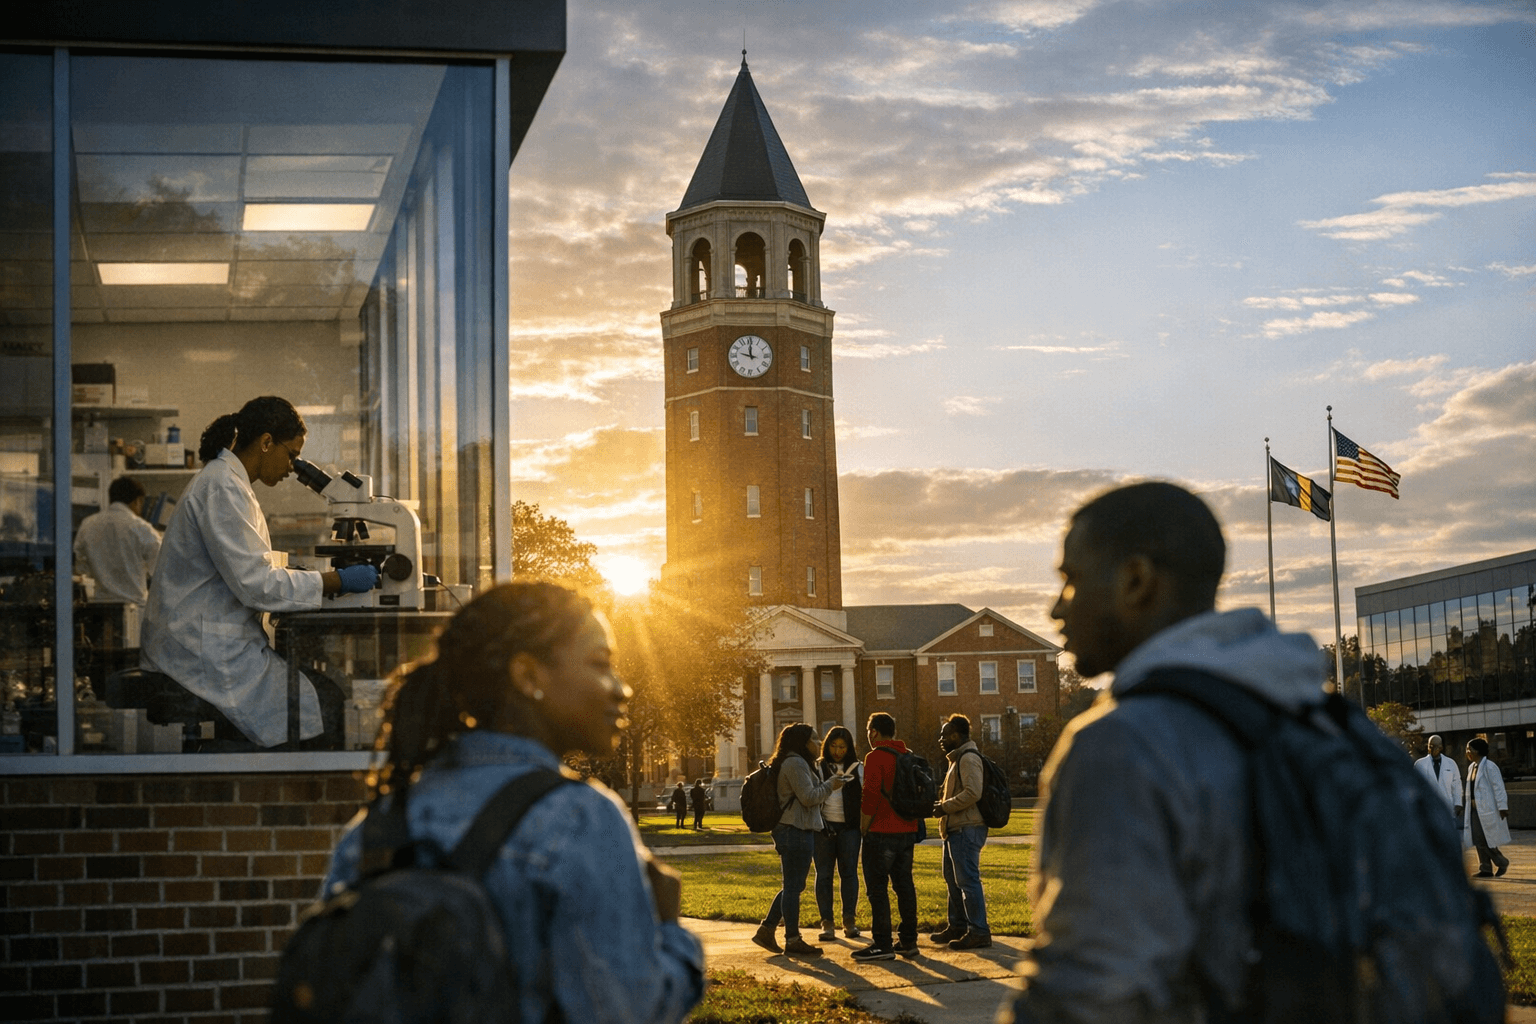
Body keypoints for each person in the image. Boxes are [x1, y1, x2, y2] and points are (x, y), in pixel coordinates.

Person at [1003, 481, 1324, 1023]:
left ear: (1136, 579)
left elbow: (1087, 990)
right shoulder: (1323, 724)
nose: (1056, 607)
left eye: (1072, 580)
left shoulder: (1123, 744)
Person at [320, 581, 704, 1024]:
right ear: (527, 676)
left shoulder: (380, 822)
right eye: (601, 664)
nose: (622, 689)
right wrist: (673, 934)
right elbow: (626, 1012)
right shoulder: (579, 817)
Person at [140, 397, 377, 748]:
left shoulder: (228, 483)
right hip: (200, 651)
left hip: (208, 641)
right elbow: (257, 585)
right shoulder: (222, 487)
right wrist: (338, 580)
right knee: (327, 704)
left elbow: (250, 571)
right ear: (266, 442)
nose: (292, 467)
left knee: (321, 694)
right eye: (292, 455)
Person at [752, 722, 848, 958]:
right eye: (814, 739)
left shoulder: (800, 763)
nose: (819, 743)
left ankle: (767, 929)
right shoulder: (795, 763)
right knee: (793, 888)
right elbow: (808, 797)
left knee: (793, 886)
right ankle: (792, 939)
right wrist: (831, 785)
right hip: (794, 830)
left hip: (799, 829)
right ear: (802, 742)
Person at [854, 712, 921, 962]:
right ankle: (908, 940)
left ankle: (882, 944)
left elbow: (870, 795)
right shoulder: (907, 755)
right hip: (908, 829)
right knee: (904, 886)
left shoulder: (875, 756)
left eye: (869, 731)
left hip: (881, 831)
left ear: (874, 732)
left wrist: (864, 826)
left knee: (878, 890)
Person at [930, 713, 991, 950]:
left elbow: (973, 792)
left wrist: (944, 807)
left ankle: (979, 931)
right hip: (955, 829)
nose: (941, 739)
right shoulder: (956, 759)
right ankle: (957, 926)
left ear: (956, 735)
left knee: (967, 880)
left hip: (967, 828)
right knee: (953, 880)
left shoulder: (968, 758)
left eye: (944, 734)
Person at [73, 476, 162, 606]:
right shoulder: (141, 528)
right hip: (135, 608)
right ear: (137, 501)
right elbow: (162, 568)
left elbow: (81, 568)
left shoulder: (87, 525)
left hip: (100, 608)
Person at [813, 725, 864, 941]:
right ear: (826, 745)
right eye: (833, 746)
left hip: (850, 828)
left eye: (842, 747)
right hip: (823, 828)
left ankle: (849, 920)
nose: (837, 751)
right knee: (824, 875)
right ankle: (827, 923)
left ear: (849, 747)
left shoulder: (858, 768)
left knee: (849, 873)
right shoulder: (817, 767)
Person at [1464, 737, 1510, 878]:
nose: (1467, 752)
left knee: (1485, 839)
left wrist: (1502, 806)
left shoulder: (1490, 767)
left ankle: (1501, 861)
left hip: (1487, 809)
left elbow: (1499, 788)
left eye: (1469, 750)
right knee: (1478, 839)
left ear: (1477, 751)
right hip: (1474, 809)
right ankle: (1485, 868)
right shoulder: (1472, 767)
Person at [1414, 734, 1462, 825]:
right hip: (1427, 809)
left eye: (1436, 746)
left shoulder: (1451, 763)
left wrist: (1458, 804)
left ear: (1441, 747)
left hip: (1448, 807)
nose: (1432, 748)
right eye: (1430, 746)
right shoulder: (1419, 764)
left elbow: (1457, 785)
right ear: (1427, 747)